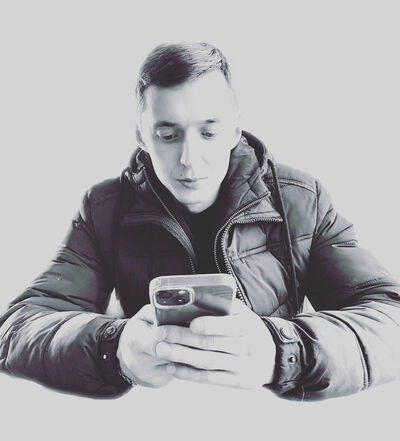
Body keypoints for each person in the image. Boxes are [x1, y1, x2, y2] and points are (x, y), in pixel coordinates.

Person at [1, 42, 400, 401]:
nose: (189, 161)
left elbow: (390, 320)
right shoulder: (103, 208)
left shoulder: (301, 199)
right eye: (168, 136)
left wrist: (281, 352)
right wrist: (115, 348)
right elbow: (15, 330)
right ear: (141, 136)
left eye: (208, 133)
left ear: (235, 129)